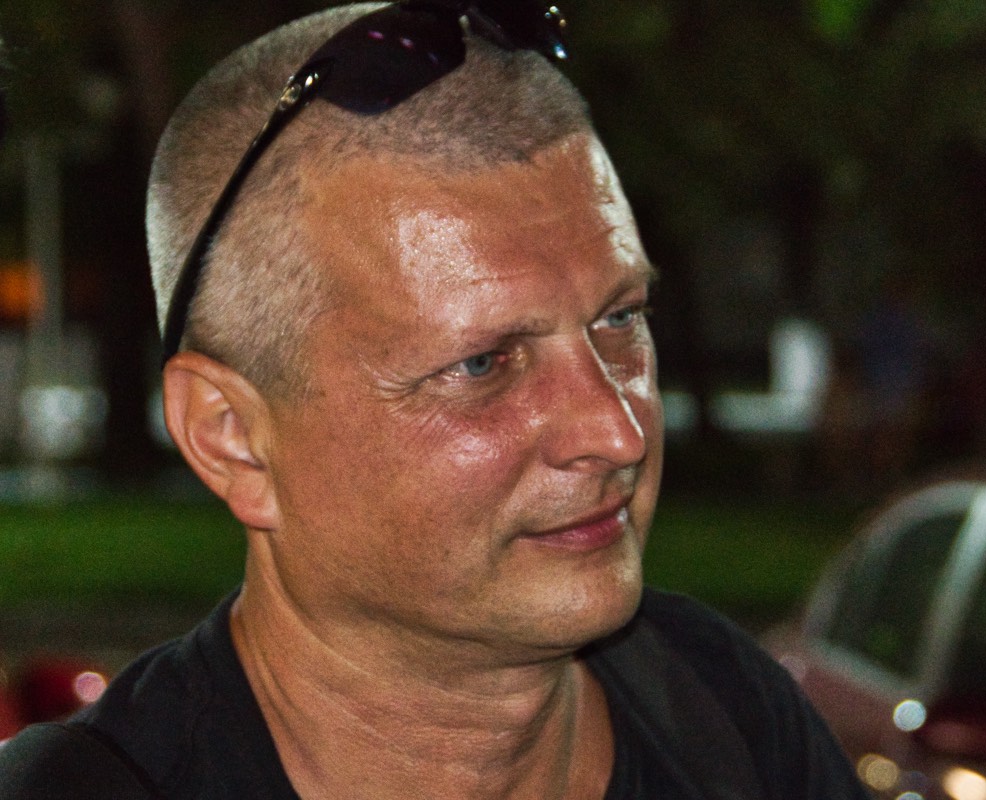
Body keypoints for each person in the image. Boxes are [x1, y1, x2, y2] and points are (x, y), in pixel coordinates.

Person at [0, 3, 870, 798]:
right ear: (232, 438)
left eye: (620, 319)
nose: (616, 431)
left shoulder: (725, 713)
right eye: (483, 364)